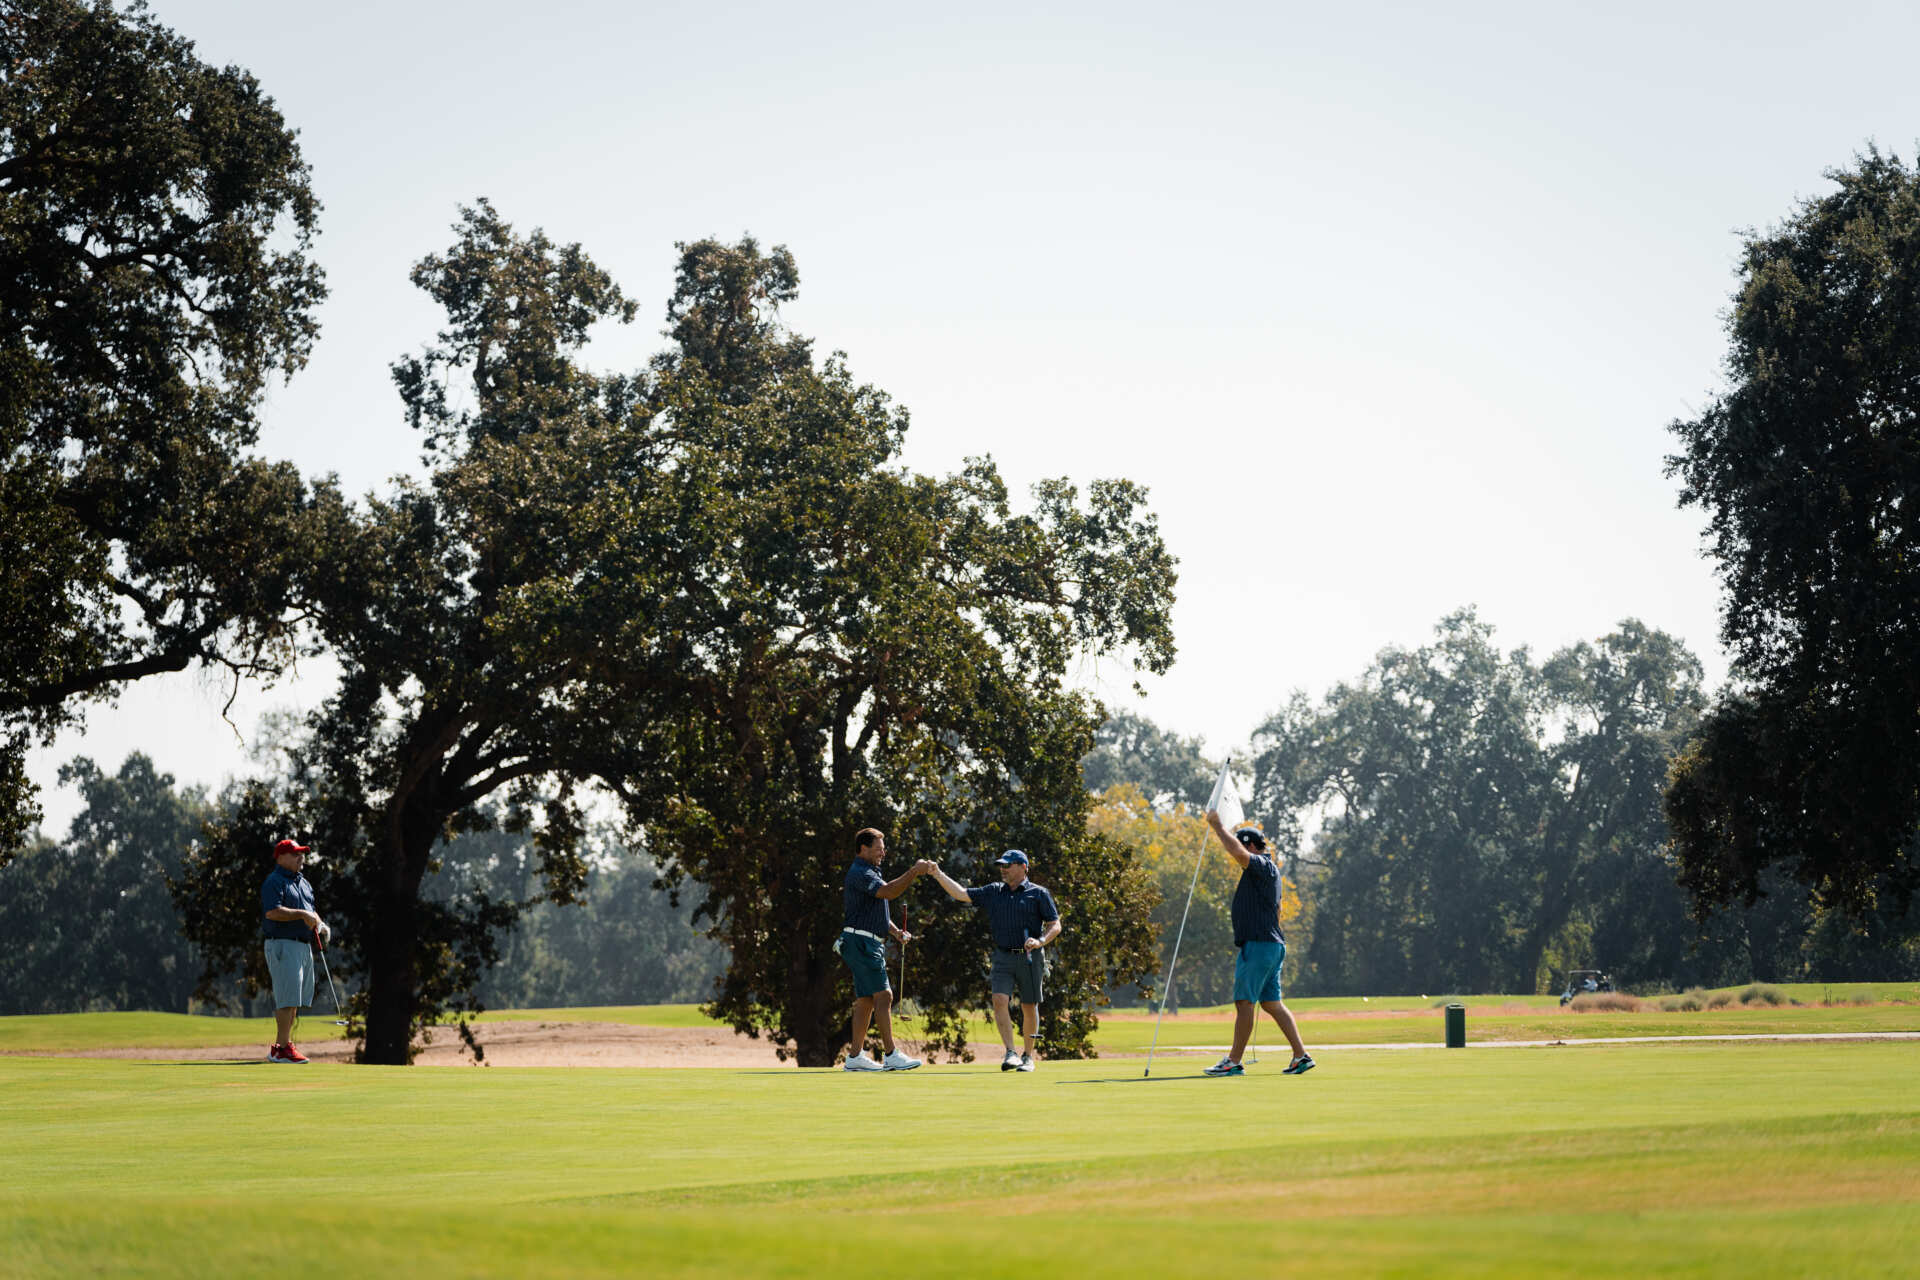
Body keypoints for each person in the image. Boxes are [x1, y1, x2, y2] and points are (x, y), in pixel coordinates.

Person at [927, 850, 1061, 1072]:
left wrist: (1040, 941)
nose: (1003, 869)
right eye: (1001, 865)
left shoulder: (1039, 893)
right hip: (1002, 956)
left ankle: (1028, 1056)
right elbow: (961, 894)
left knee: (1029, 1005)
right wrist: (938, 874)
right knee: (999, 1000)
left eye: (1008, 865)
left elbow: (1055, 924)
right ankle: (1011, 1052)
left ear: (1023, 867)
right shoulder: (994, 890)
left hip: (1030, 956)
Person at [1202, 810, 1313, 1077]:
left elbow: (1238, 853)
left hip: (1260, 945)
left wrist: (1217, 826)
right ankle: (1301, 1056)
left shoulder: (1261, 865)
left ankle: (1233, 1061)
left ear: (1251, 846)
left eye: (1243, 846)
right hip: (1272, 945)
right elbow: (1278, 911)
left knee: (1244, 1002)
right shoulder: (1269, 872)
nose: (1240, 853)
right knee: (1272, 1004)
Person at [838, 828, 931, 1072]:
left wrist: (895, 932)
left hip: (860, 940)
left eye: (883, 848)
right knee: (884, 996)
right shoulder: (861, 872)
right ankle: (891, 1054)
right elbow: (889, 891)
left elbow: (874, 912)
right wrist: (914, 871)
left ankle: (855, 1057)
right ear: (863, 849)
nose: (883, 853)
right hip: (862, 942)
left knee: (866, 1000)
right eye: (878, 849)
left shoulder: (870, 871)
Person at [261, 836, 329, 1064]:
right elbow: (272, 912)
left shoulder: (304, 883)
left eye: (302, 853)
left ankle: (284, 1045)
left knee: (295, 999)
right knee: (287, 999)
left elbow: (311, 910)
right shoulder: (274, 881)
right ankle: (280, 1049)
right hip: (282, 944)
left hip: (302, 946)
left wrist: (320, 924)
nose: (301, 857)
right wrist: (302, 915)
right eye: (295, 854)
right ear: (281, 857)